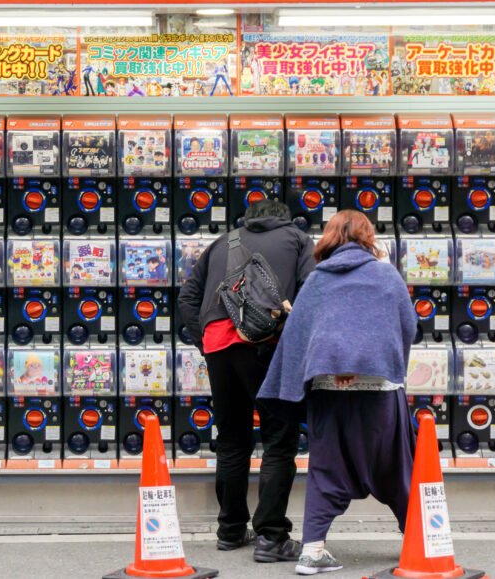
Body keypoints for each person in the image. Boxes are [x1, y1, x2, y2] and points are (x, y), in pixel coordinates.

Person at [258, 210, 416, 575]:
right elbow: (407, 325)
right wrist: (373, 361)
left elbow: (300, 333)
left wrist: (330, 363)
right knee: (395, 467)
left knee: (325, 470)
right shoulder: (385, 276)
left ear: (328, 238)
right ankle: (419, 540)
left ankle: (312, 551)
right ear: (368, 237)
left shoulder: (318, 279)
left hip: (327, 391)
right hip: (379, 391)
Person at [177, 199, 315, 563]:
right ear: (283, 218)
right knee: (279, 439)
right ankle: (271, 536)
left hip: (218, 347)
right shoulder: (298, 239)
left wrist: (205, 339)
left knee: (233, 440)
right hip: (265, 346)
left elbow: (188, 297)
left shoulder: (222, 242)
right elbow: (311, 293)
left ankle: (231, 530)